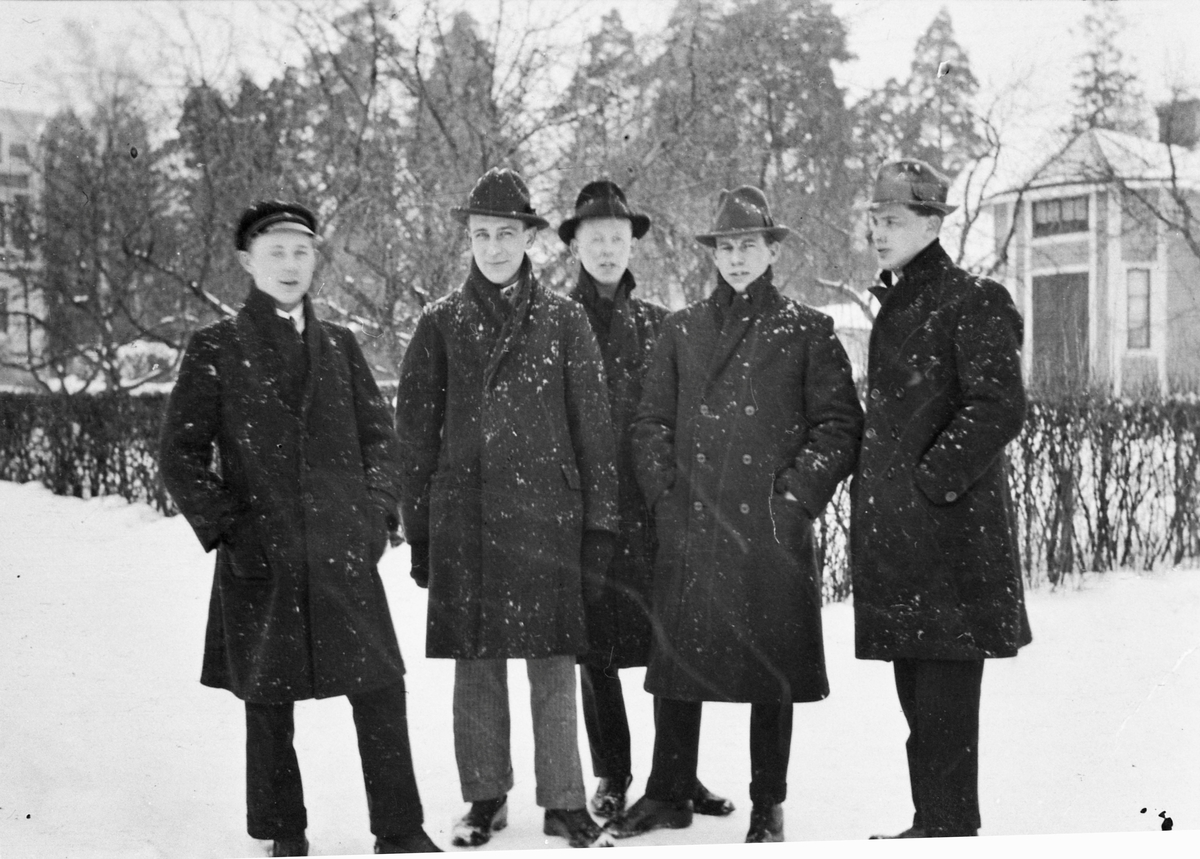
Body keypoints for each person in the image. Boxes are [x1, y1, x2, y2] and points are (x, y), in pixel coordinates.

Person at [159, 201, 438, 856]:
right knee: (268, 701)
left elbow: (381, 441)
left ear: (315, 260)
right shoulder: (216, 347)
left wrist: (376, 516)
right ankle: (283, 831)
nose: (289, 265)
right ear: (247, 261)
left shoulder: (340, 344)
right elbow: (180, 455)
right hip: (264, 557)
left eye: (301, 251)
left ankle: (400, 828)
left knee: (380, 690)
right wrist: (233, 529)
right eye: (275, 252)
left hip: (343, 553)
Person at [610, 186, 863, 843]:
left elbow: (839, 427)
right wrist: (666, 499)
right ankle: (668, 792)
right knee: (678, 665)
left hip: (767, 530)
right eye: (726, 247)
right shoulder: (682, 329)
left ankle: (767, 801)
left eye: (749, 245)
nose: (737, 258)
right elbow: (649, 423)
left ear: (772, 250)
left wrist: (794, 500)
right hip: (692, 523)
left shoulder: (807, 329)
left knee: (769, 672)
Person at [395, 168, 619, 849]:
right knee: (476, 665)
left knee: (554, 663)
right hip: (467, 519)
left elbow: (594, 429)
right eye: (481, 235)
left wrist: (599, 527)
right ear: (468, 239)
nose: (493, 248)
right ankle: (485, 795)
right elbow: (415, 436)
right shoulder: (440, 323)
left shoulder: (565, 319)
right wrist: (421, 533)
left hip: (548, 517)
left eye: (506, 234)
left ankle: (565, 802)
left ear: (528, 238)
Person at [852, 159, 1031, 839]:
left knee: (945, 710)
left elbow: (998, 406)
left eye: (893, 220)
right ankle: (933, 824)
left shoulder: (972, 299)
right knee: (920, 708)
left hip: (950, 549)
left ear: (932, 224)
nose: (879, 231)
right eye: (875, 219)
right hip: (907, 549)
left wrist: (928, 484)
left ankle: (949, 830)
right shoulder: (898, 302)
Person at [558, 180, 734, 821]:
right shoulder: (557, 322)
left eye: (617, 237)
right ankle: (613, 773)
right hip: (587, 516)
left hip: (655, 512)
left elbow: (686, 417)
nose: (607, 249)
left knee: (673, 645)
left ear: (633, 244)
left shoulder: (662, 324)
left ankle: (675, 774)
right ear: (575, 246)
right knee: (595, 652)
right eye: (595, 238)